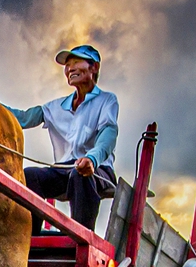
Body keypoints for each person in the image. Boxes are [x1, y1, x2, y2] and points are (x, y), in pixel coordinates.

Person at [6, 44, 120, 229]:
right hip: (63, 170)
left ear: (94, 67)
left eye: (76, 62)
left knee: (79, 174)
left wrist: (92, 159)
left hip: (97, 170)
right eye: (67, 65)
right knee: (30, 176)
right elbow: (24, 119)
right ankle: (29, 236)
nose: (70, 68)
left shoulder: (107, 100)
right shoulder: (57, 106)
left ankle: (80, 237)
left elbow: (108, 133)